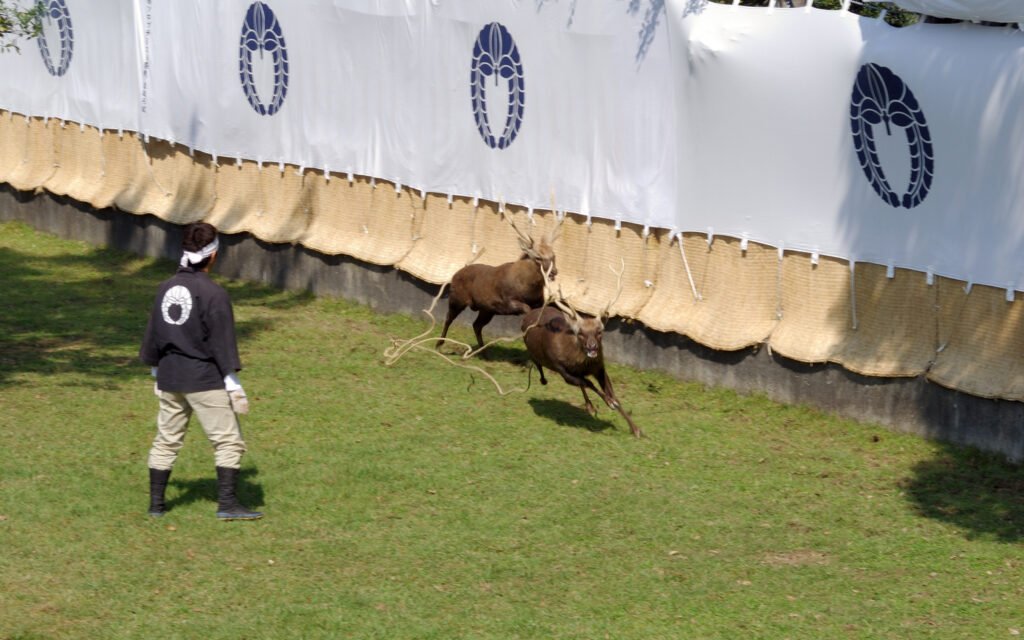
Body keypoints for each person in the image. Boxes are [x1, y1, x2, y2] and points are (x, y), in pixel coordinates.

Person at [139, 222, 262, 521]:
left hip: (170, 377)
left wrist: (156, 372)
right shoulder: (213, 294)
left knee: (167, 439)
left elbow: (154, 332)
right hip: (203, 379)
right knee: (228, 441)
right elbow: (222, 343)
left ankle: (156, 505)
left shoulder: (165, 287)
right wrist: (232, 382)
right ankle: (228, 504)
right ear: (213, 255)